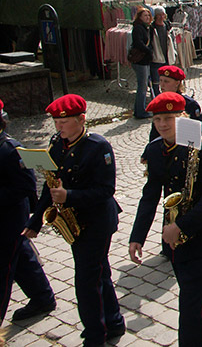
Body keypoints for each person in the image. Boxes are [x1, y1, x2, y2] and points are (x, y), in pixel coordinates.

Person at [130, 92, 202, 347]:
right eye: (157, 120)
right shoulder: (156, 149)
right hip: (176, 235)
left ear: (182, 116)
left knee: (191, 301)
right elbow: (150, 195)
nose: (163, 125)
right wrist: (137, 236)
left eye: (169, 118)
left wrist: (180, 227)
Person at [24, 94, 124, 346]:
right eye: (56, 122)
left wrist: (69, 195)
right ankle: (112, 322)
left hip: (97, 222)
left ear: (81, 120)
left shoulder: (98, 147)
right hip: (75, 222)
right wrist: (35, 222)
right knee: (99, 273)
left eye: (64, 121)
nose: (58, 127)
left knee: (86, 281)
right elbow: (50, 184)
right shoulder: (57, 143)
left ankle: (95, 334)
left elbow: (105, 191)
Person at [0, 98, 56, 325]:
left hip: (9, 217)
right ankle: (42, 297)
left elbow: (25, 186)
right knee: (21, 256)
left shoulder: (9, 149)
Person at [148, 65, 201, 141]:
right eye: (161, 80)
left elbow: (195, 132)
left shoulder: (190, 104)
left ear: (177, 83)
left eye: (166, 81)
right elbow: (154, 134)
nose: (162, 85)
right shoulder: (159, 102)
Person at [131, 6, 155, 118]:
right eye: (145, 15)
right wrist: (148, 51)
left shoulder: (146, 27)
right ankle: (140, 111)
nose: (147, 17)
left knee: (143, 85)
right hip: (140, 61)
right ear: (140, 17)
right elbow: (138, 43)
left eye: (148, 15)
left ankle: (139, 110)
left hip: (145, 60)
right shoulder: (138, 28)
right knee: (142, 86)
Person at [150, 5, 173, 86]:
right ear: (155, 16)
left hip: (167, 57)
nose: (161, 17)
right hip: (156, 58)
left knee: (166, 79)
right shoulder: (152, 28)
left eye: (162, 14)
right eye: (159, 15)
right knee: (156, 81)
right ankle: (156, 96)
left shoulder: (167, 26)